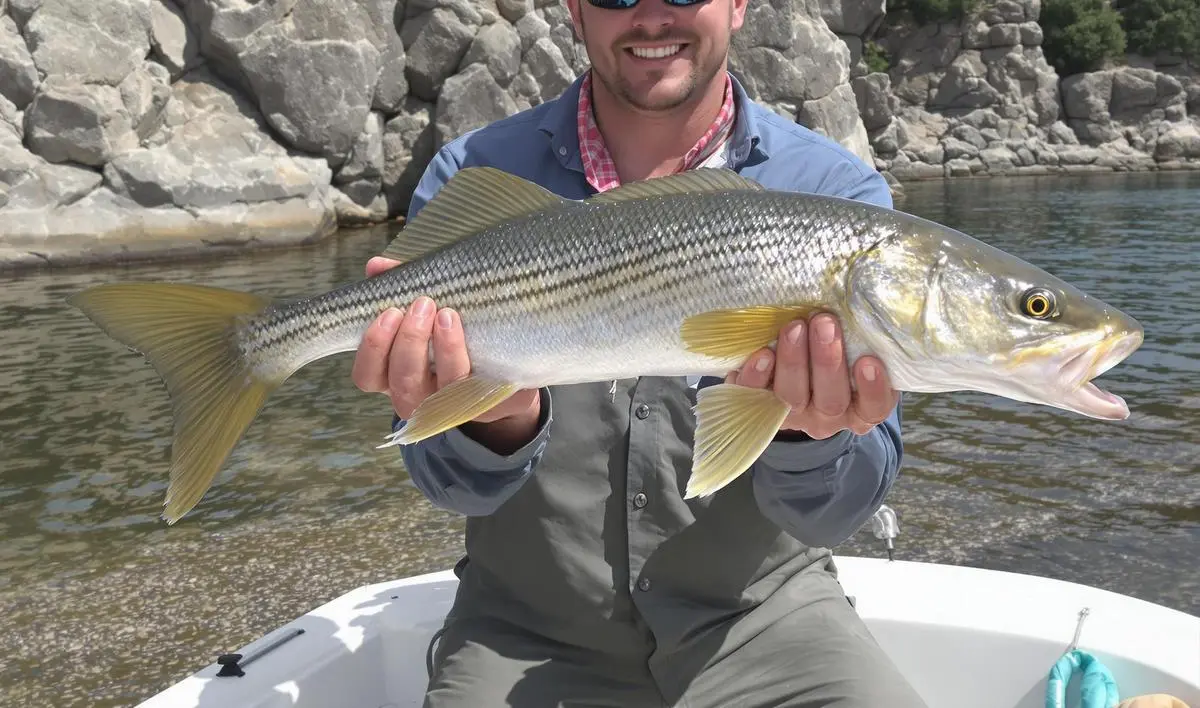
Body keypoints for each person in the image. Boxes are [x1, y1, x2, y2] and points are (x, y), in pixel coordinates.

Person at [351, 0, 926, 706]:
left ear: (737, 4)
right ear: (575, 10)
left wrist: (809, 437)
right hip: (525, 629)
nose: (652, 16)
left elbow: (834, 517)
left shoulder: (836, 194)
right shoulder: (473, 171)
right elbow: (452, 490)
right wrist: (495, 424)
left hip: (765, 622)